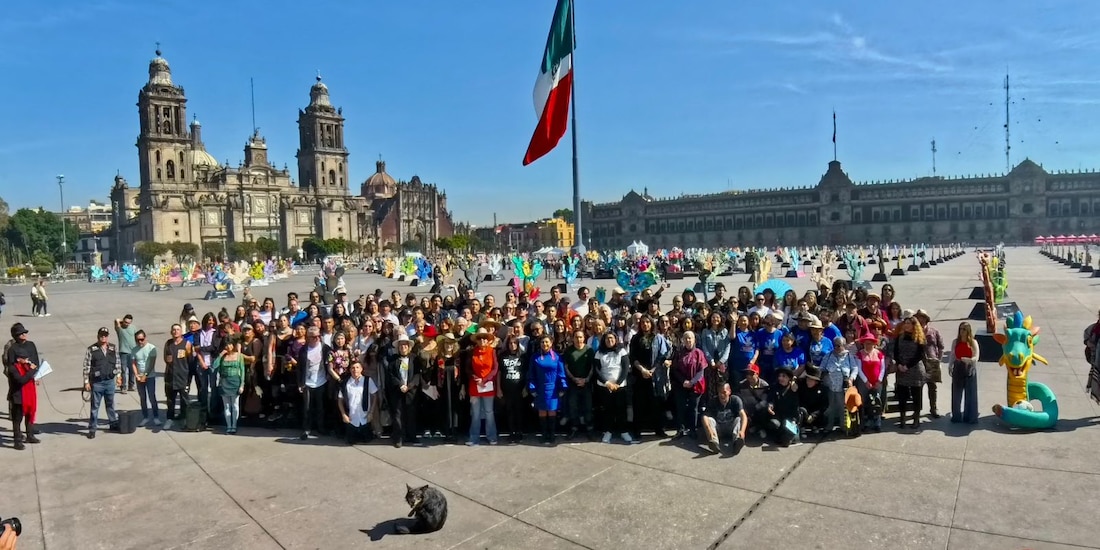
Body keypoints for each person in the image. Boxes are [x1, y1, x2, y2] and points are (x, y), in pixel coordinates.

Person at [528, 334, 568, 445]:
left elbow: (561, 373)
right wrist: (532, 388)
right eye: (542, 342)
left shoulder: (557, 357)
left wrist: (563, 387)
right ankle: (544, 434)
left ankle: (552, 434)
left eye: (547, 342)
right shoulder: (534, 357)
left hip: (553, 388)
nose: (544, 344)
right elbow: (531, 374)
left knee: (551, 412)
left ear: (551, 343)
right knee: (542, 411)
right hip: (540, 388)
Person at [82, 327, 122, 438]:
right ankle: (92, 429)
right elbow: (86, 366)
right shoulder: (91, 349)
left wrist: (119, 376)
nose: (103, 337)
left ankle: (113, 424)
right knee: (95, 407)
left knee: (110, 405)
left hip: (110, 381)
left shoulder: (113, 348)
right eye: (101, 335)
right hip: (97, 383)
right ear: (98, 336)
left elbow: (117, 362)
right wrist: (86, 382)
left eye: (105, 335)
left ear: (108, 336)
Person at [5, 323, 40, 450]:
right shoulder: (12, 351)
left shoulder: (31, 345)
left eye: (25, 332)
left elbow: (36, 362)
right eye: (21, 333)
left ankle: (30, 435)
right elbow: (19, 380)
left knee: (30, 412)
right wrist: (31, 371)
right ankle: (17, 440)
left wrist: (35, 374)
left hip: (30, 387)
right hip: (18, 391)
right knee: (17, 417)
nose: (24, 334)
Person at [465, 328, 500, 445]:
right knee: (475, 413)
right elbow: (468, 368)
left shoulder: (492, 351)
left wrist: (484, 380)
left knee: (489, 412)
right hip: (475, 386)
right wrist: (475, 378)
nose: (482, 340)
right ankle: (474, 437)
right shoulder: (472, 351)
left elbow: (495, 369)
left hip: (488, 385)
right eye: (480, 338)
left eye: (485, 338)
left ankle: (492, 436)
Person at [384, 333, 419, 448]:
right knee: (398, 414)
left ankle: (411, 436)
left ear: (409, 347)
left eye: (405, 346)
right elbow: (391, 375)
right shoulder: (393, 360)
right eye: (401, 346)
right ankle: (398, 437)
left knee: (411, 414)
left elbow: (417, 374)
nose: (403, 348)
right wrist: (400, 385)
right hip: (397, 391)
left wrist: (410, 385)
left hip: (410, 391)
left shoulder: (414, 359)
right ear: (398, 347)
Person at [297, 326, 331, 440]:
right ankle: (306, 428)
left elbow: (331, 363)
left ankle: (321, 428)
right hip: (307, 382)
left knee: (321, 407)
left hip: (321, 381)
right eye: (313, 337)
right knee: (307, 407)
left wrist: (329, 374)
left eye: (318, 336)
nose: (316, 338)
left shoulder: (325, 348)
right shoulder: (303, 350)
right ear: (308, 338)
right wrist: (300, 383)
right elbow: (299, 368)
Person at [947, 321, 981, 424]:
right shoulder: (955, 342)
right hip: (958, 367)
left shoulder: (973, 342)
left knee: (970, 394)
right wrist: (950, 365)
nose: (962, 331)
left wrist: (970, 360)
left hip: (969, 367)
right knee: (956, 393)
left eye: (964, 329)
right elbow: (952, 355)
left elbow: (976, 356)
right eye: (961, 329)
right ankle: (956, 416)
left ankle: (970, 417)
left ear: (968, 331)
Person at [338, 360, 378, 444]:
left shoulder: (368, 380)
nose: (355, 370)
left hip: (365, 418)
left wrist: (371, 412)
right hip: (351, 419)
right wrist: (343, 414)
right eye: (352, 368)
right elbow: (340, 399)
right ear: (349, 370)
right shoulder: (345, 383)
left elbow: (374, 396)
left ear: (361, 369)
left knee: (367, 440)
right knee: (351, 441)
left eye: (357, 367)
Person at [702, 382, 748, 455]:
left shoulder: (735, 400)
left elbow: (743, 416)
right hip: (719, 429)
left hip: (731, 428)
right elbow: (704, 416)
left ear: (729, 391)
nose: (722, 395)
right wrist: (709, 430)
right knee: (709, 419)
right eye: (720, 392)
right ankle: (714, 442)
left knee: (739, 419)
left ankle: (737, 442)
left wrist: (742, 431)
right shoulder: (713, 401)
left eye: (724, 392)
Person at [214, 335, 247, 434]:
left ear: (233, 345)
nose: (228, 347)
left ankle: (234, 425)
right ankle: (229, 426)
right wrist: (220, 355)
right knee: (227, 406)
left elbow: (242, 371)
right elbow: (214, 366)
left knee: (235, 405)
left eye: (230, 345)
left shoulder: (239, 356)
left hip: (235, 381)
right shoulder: (223, 356)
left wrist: (242, 385)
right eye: (226, 345)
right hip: (224, 382)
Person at [130, 330, 161, 426]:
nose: (140, 342)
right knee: (142, 397)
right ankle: (145, 417)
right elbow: (133, 363)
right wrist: (136, 375)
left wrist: (145, 375)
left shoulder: (151, 348)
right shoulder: (134, 350)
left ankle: (156, 417)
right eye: (137, 340)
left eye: (142, 339)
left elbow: (152, 363)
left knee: (152, 397)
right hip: (139, 377)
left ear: (145, 338)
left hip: (150, 376)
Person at [114, 314, 138, 393]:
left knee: (132, 370)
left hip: (132, 352)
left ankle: (131, 385)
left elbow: (137, 338)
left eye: (129, 323)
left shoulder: (133, 328)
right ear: (123, 320)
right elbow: (116, 320)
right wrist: (121, 322)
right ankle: (123, 387)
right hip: (123, 352)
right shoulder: (119, 328)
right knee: (123, 370)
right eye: (126, 322)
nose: (127, 324)